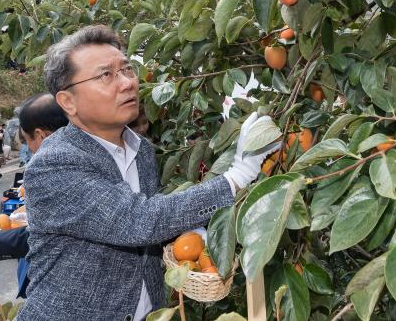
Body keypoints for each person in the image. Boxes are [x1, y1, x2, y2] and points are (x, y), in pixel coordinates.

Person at [16, 25, 279, 321]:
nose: (127, 83)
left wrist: (192, 234)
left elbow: (151, 232)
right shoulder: (54, 164)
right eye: (106, 75)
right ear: (68, 102)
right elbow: (136, 221)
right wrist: (239, 174)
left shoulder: (140, 148)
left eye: (127, 70)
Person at [0, 92, 70, 299]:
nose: (30, 150)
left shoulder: (50, 169)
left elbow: (51, 234)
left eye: (27, 141)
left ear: (41, 135)